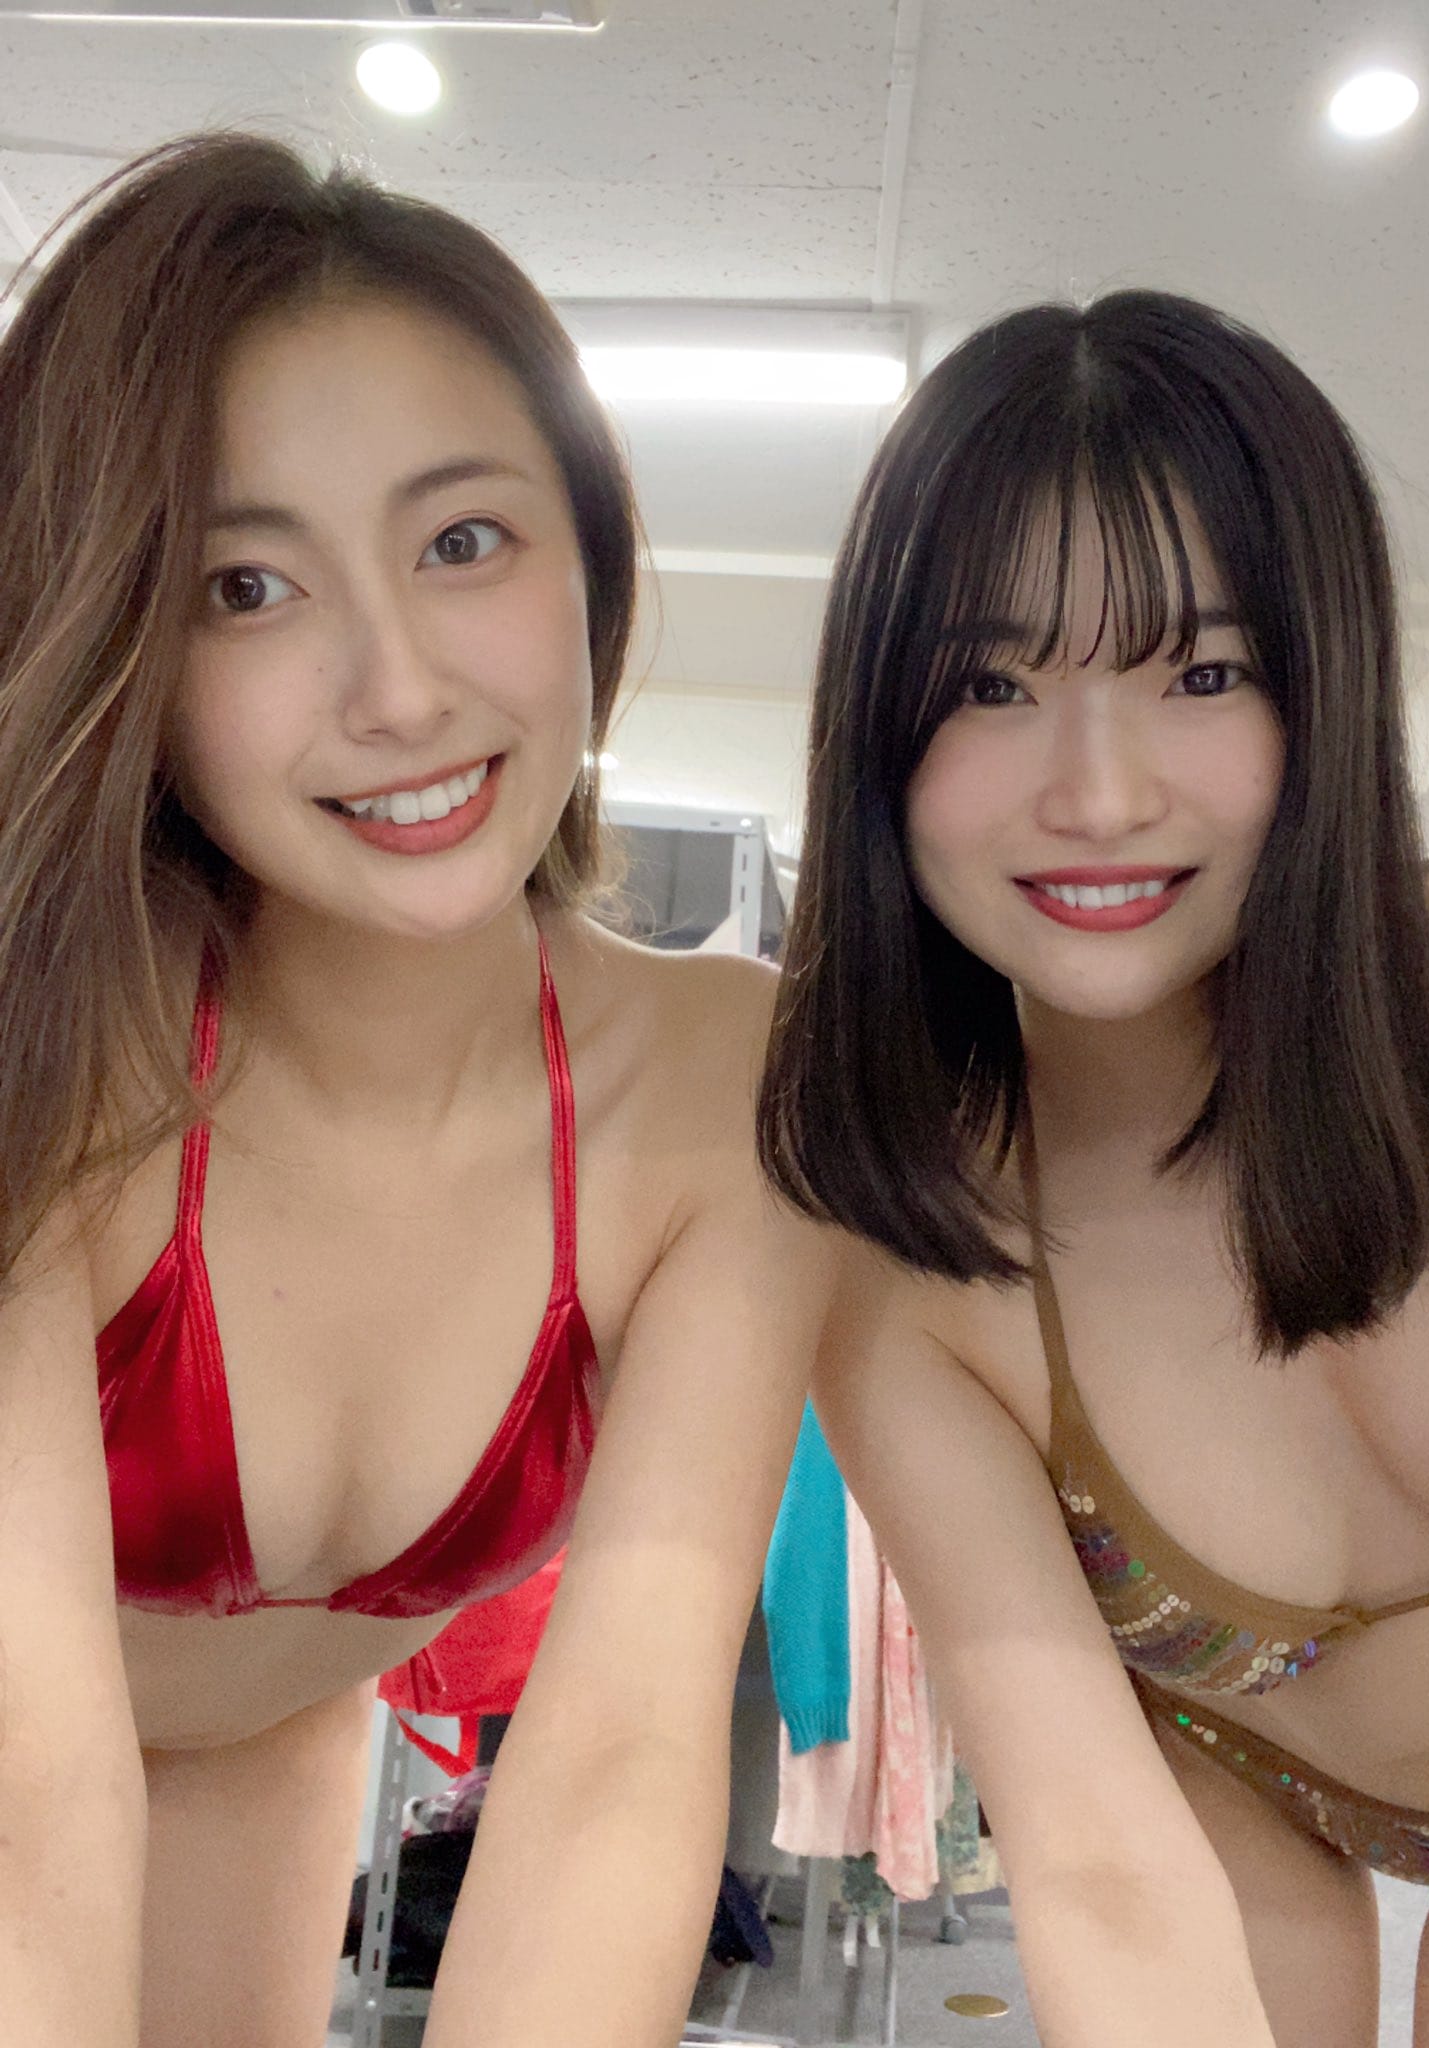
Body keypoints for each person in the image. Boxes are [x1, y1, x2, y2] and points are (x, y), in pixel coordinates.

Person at [0, 133, 827, 2048]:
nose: (394, 690)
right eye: (246, 586)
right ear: (125, 645)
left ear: (591, 556)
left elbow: (618, 1757)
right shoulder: (52, 1051)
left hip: (258, 1764)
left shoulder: (726, 1092)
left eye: (463, 543)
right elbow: (32, 1774)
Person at [759, 290, 1429, 2048]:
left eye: (1202, 672)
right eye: (991, 685)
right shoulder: (913, 1278)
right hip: (1245, 1830)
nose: (1098, 796)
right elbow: (1103, 1863)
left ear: (1325, 692)